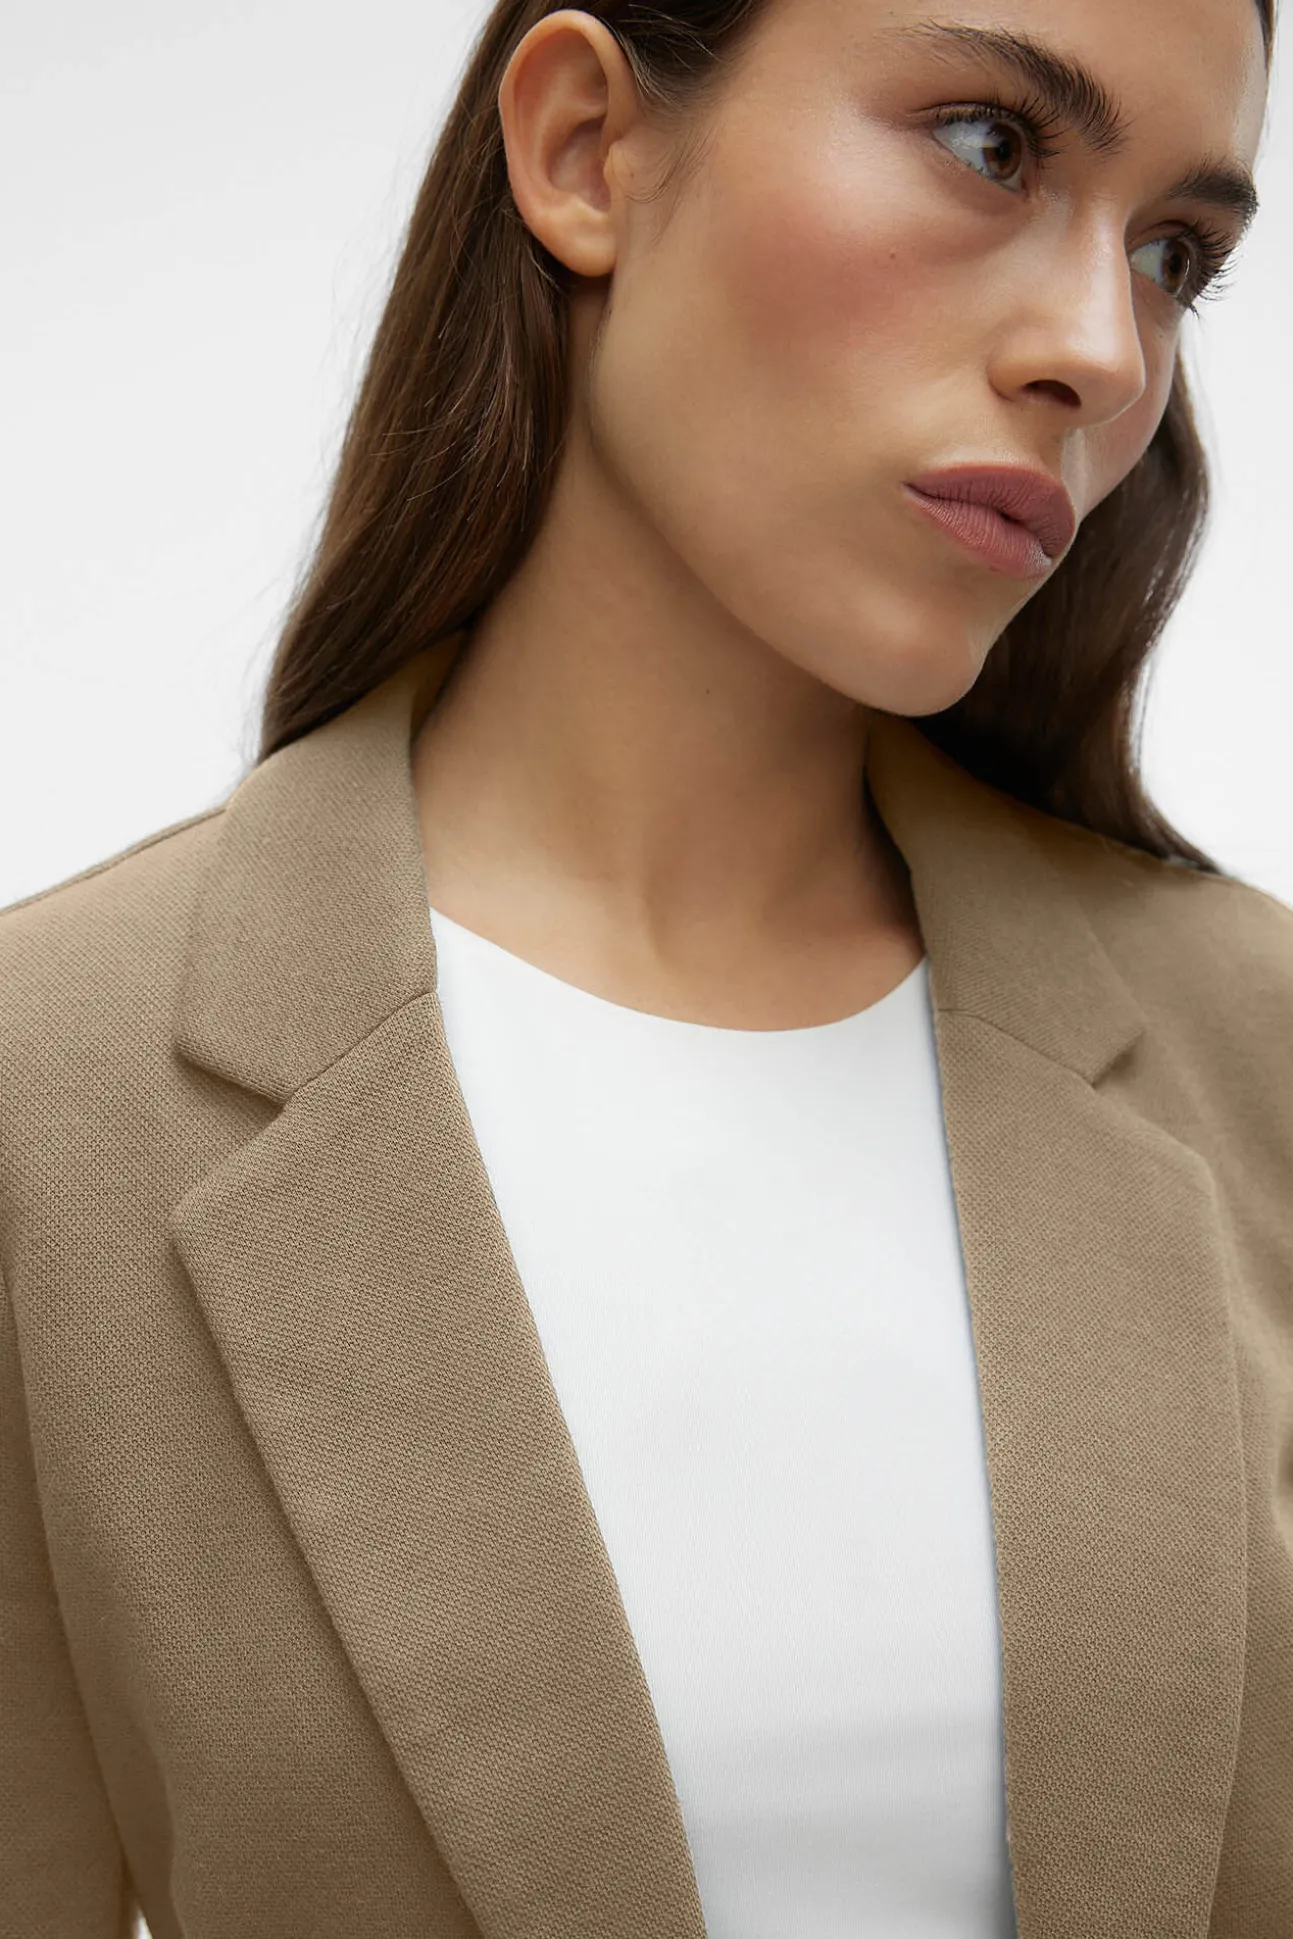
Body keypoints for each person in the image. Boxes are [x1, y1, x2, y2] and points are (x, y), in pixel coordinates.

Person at [1, 0, 1287, 1933]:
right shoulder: (51, 1101)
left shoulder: (1260, 1058)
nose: (1104, 352)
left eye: (1175, 252)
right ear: (584, 146)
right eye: (992, 145)